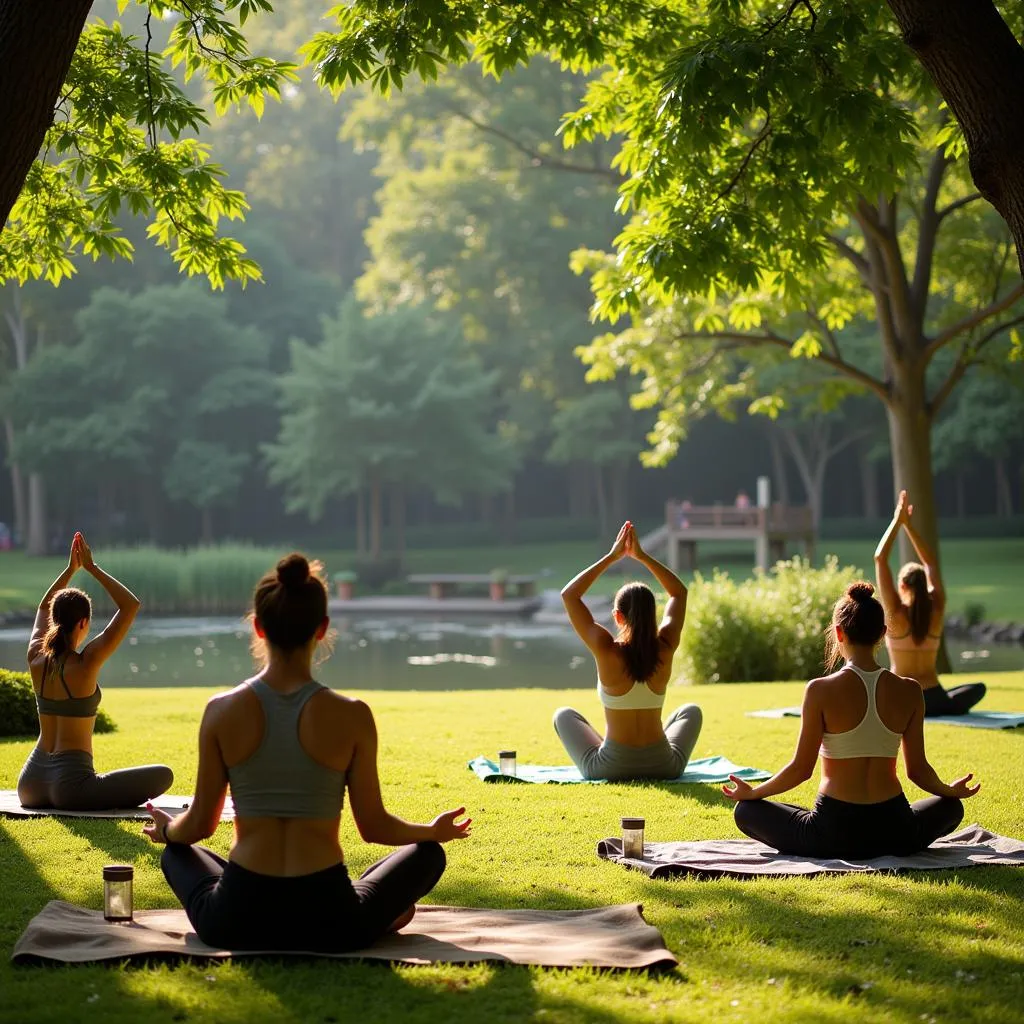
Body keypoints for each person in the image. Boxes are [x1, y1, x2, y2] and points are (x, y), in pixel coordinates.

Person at [144, 553, 471, 952]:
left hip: (236, 918)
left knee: (178, 853)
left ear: (259, 627)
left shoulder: (221, 711)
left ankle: (367, 905)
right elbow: (374, 827)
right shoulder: (353, 715)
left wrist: (166, 831)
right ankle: (378, 909)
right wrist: (431, 832)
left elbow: (198, 826)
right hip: (333, 921)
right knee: (428, 855)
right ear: (322, 629)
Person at [724, 581, 977, 859]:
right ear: (882, 633)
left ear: (838, 632)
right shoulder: (910, 690)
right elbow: (917, 770)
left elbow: (801, 769)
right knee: (952, 806)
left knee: (747, 811)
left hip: (832, 833)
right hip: (896, 830)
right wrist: (948, 790)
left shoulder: (819, 690)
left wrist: (754, 792)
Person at [18, 533, 173, 810]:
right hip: (72, 788)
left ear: (55, 620)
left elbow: (44, 606)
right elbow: (130, 605)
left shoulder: (35, 657)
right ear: (83, 623)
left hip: (30, 785)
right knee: (164, 775)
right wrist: (91, 567)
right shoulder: (86, 662)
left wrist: (69, 570)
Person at [554, 521, 703, 780]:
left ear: (618, 617)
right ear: (652, 614)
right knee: (691, 711)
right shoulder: (666, 645)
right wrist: (643, 557)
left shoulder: (605, 649)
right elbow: (679, 593)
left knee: (563, 715)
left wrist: (612, 557)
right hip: (665, 766)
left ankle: (607, 747)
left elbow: (570, 596)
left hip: (611, 767)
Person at [874, 490, 985, 716]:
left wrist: (899, 522)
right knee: (977, 689)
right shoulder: (937, 609)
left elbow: (880, 559)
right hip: (936, 698)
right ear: (925, 586)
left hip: (903, 699)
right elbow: (931, 563)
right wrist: (910, 527)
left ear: (902, 587)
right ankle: (941, 706)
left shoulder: (896, 614)